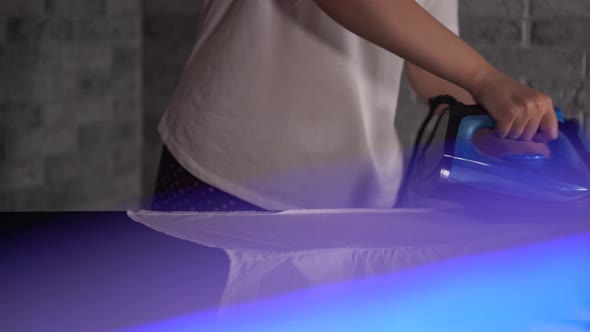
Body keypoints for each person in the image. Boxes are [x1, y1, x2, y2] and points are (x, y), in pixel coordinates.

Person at [151, 0, 557, 212]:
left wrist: (495, 129)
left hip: (360, 189)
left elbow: (428, 64)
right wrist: (485, 78)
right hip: (233, 171)